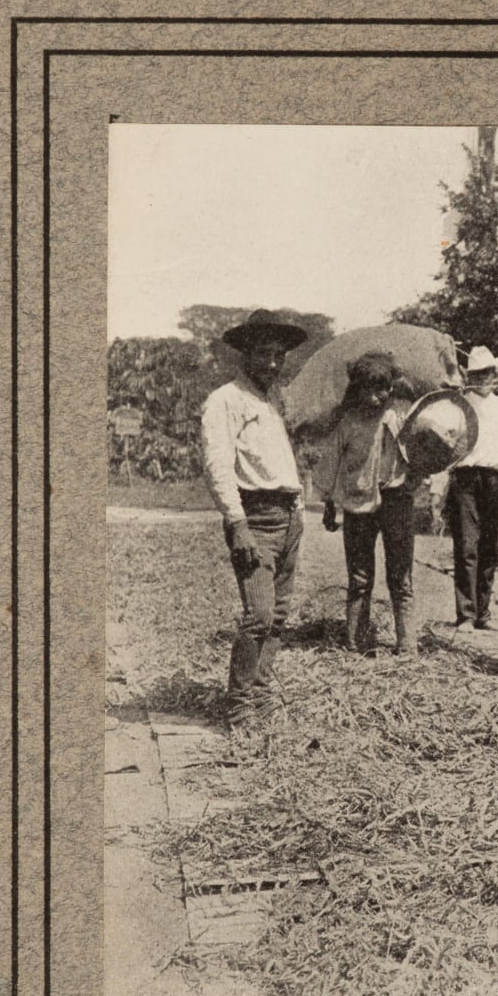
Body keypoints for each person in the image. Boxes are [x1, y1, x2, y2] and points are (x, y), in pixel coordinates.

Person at [199, 309, 308, 727]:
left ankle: (262, 698)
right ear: (245, 354)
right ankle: (240, 705)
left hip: (287, 514)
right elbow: (218, 466)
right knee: (259, 614)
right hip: (254, 518)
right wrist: (237, 522)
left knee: (278, 616)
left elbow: (282, 462)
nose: (273, 363)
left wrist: (297, 512)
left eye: (279, 355)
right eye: (264, 354)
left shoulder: (273, 400)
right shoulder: (224, 400)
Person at [316, 351, 421, 657]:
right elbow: (330, 465)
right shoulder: (347, 424)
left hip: (396, 501)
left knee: (401, 575)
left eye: (382, 390)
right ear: (357, 389)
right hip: (358, 505)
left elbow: (421, 455)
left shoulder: (400, 419)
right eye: (367, 389)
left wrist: (415, 478)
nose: (375, 398)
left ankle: (407, 644)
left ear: (391, 389)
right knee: (360, 577)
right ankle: (354, 643)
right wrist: (328, 504)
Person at [445, 346, 498, 630]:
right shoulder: (458, 406)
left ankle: (484, 612)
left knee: (490, 547)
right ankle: (466, 614)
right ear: (470, 375)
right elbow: (444, 448)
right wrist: (438, 489)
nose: (483, 378)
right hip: (465, 479)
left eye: (487, 373)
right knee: (467, 546)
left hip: (497, 480)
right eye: (477, 373)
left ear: (495, 374)